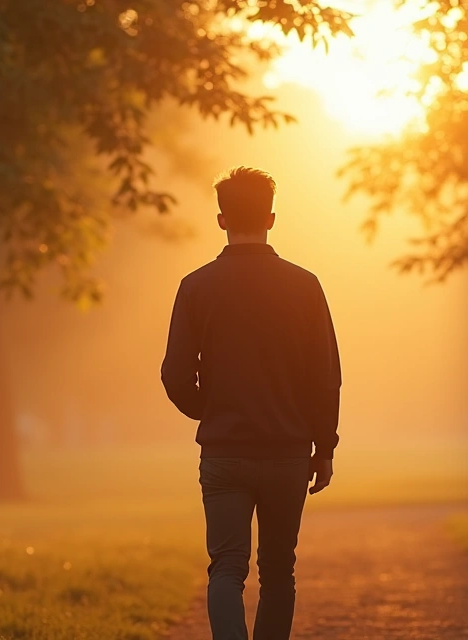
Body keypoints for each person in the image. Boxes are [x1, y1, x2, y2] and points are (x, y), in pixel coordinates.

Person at [161, 166, 342, 640]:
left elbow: (175, 375)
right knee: (279, 570)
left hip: (224, 454)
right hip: (287, 454)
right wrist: (324, 448)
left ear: (221, 220)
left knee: (226, 567)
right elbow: (325, 378)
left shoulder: (196, 286)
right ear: (271, 219)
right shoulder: (305, 286)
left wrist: (210, 409)